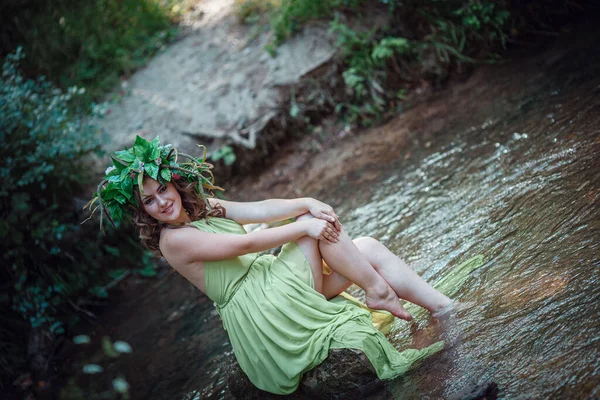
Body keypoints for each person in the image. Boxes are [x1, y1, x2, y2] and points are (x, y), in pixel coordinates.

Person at [89, 136, 475, 395]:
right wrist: (302, 224)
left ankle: (443, 307)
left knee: (367, 246)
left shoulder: (199, 209)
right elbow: (248, 241)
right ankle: (377, 291)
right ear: (144, 213)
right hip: (262, 310)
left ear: (173, 184)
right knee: (308, 235)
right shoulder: (173, 240)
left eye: (162, 190)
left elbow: (257, 210)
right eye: (150, 202)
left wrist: (304, 202)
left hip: (276, 287)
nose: (162, 202)